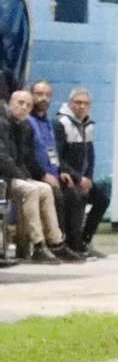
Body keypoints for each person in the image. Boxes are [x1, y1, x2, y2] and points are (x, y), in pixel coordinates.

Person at [0, 91, 79, 263]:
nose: (24, 107)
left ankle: (56, 242)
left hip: (14, 176)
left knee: (45, 189)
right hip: (4, 177)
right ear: (10, 102)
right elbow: (3, 157)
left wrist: (34, 176)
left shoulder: (25, 126)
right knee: (31, 190)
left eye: (28, 105)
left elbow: (26, 157)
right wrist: (21, 176)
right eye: (20, 103)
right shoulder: (2, 123)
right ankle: (38, 244)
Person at [28, 80, 88, 254]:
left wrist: (61, 171)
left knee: (75, 193)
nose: (43, 98)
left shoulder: (49, 123)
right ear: (32, 95)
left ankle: (73, 243)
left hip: (53, 174)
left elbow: (53, 153)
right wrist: (43, 175)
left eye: (47, 95)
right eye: (39, 94)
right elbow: (27, 156)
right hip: (36, 175)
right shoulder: (28, 122)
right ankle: (56, 244)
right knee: (58, 196)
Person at [54, 87, 109, 258]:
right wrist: (78, 178)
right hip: (66, 177)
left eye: (85, 103)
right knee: (76, 198)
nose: (81, 106)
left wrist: (89, 179)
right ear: (70, 104)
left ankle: (85, 240)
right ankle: (73, 244)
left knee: (102, 199)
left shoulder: (88, 125)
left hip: (83, 179)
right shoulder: (60, 123)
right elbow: (57, 157)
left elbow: (90, 157)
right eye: (78, 103)